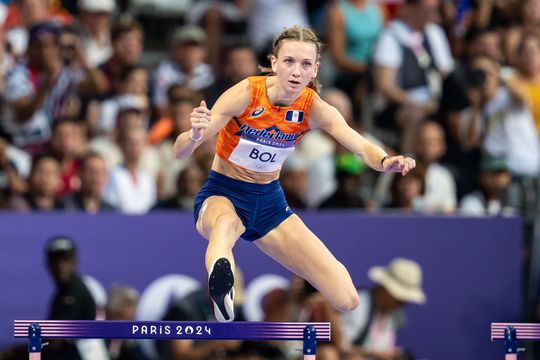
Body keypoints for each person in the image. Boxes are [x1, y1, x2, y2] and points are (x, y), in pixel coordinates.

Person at [173, 25, 416, 322]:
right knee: (224, 227)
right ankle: (223, 286)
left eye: (305, 64)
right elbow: (179, 151)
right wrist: (196, 135)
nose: (296, 71)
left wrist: (386, 160)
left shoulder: (314, 108)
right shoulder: (246, 93)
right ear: (274, 63)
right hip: (224, 193)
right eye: (289, 61)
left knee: (347, 298)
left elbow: (362, 146)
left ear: (315, 69)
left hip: (270, 205)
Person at [340, 258, 426, 360]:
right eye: (399, 299)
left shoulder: (395, 317)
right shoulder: (358, 307)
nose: (403, 305)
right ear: (384, 289)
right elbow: (340, 348)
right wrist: (375, 354)